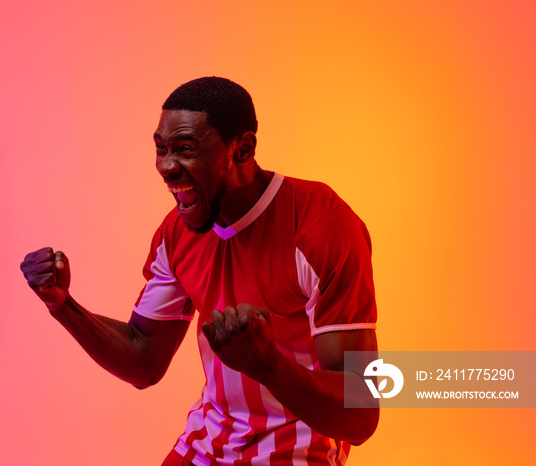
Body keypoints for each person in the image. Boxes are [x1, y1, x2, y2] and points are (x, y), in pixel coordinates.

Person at [21, 77, 379, 465]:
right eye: (161, 149)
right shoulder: (176, 232)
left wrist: (268, 366)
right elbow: (143, 361)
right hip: (208, 442)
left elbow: (361, 415)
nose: (166, 167)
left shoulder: (322, 227)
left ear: (243, 149)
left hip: (297, 449)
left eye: (186, 149)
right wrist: (64, 306)